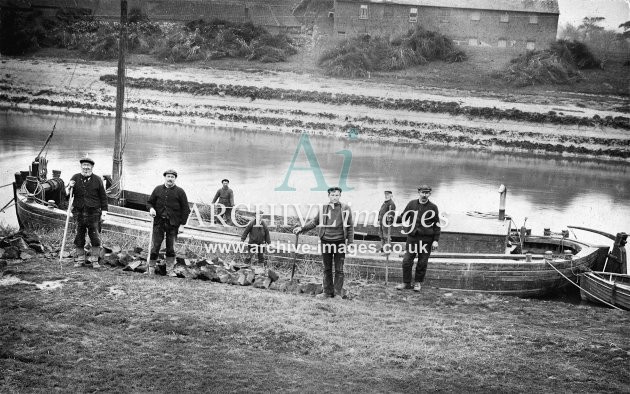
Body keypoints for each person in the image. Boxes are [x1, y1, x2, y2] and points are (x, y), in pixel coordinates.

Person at [293, 187, 354, 299]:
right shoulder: (324, 208)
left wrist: (350, 243)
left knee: (339, 269)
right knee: (327, 268)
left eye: (337, 195)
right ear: (328, 196)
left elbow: (350, 226)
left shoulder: (345, 208)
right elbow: (315, 222)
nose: (334, 197)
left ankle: (337, 294)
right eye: (332, 195)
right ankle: (327, 292)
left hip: (340, 242)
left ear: (340, 196)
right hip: (325, 241)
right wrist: (301, 228)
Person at [396, 185, 440, 292]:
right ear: (419, 192)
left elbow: (437, 225)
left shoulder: (433, 207)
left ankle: (417, 283)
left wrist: (435, 240)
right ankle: (406, 283)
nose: (424, 195)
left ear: (429, 194)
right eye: (422, 192)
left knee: (422, 262)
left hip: (426, 240)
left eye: (427, 193)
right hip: (412, 238)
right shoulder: (411, 204)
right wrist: (391, 218)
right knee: (406, 261)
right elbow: (403, 217)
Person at [66, 156, 108, 268]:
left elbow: (103, 197)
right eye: (84, 165)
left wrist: (104, 212)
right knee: (79, 236)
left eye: (88, 166)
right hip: (79, 212)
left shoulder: (98, 180)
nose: (86, 168)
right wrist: (70, 187)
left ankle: (94, 260)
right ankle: (80, 260)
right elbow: (67, 195)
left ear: (92, 167)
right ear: (81, 166)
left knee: (95, 236)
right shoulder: (75, 178)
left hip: (94, 213)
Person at [147, 169, 190, 276]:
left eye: (172, 177)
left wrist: (182, 225)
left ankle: (169, 270)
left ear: (175, 178)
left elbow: (186, 209)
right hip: (158, 223)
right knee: (155, 246)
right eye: (168, 176)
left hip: (173, 225)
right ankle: (151, 269)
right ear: (165, 177)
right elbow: (149, 202)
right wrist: (151, 209)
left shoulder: (180, 192)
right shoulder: (157, 189)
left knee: (171, 248)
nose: (170, 178)